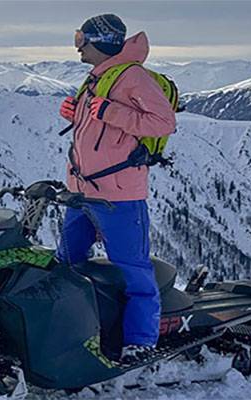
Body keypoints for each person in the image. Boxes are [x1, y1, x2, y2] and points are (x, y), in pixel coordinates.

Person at [56, 14, 176, 363]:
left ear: (101, 41)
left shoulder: (131, 76)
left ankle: (140, 343)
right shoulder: (99, 77)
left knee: (133, 270)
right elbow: (100, 129)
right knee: (68, 265)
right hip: (81, 192)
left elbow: (163, 121)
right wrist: (75, 113)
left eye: (82, 39)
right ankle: (78, 330)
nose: (78, 46)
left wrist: (109, 112)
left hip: (119, 194)